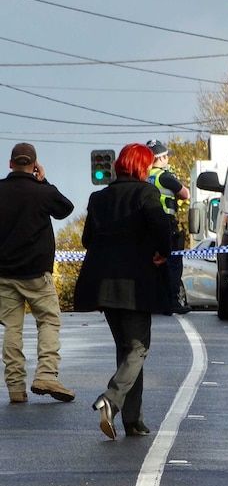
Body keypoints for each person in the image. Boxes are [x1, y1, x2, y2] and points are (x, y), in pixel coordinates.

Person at [74, 143, 172, 439]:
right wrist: (163, 252)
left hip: (102, 284)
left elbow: (87, 239)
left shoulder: (98, 197)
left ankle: (133, 420)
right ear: (143, 167)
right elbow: (161, 225)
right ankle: (112, 398)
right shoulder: (146, 193)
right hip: (135, 283)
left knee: (127, 351)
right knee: (138, 348)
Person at [0, 142, 76, 404]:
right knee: (48, 321)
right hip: (36, 274)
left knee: (12, 328)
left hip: (4, 274)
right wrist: (43, 182)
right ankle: (46, 374)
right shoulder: (41, 193)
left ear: (10, 164)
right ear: (34, 165)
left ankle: (15, 388)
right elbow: (66, 208)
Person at [146, 139, 191, 315]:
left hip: (148, 226)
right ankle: (172, 301)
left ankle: (153, 301)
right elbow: (185, 194)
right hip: (166, 224)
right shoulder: (164, 176)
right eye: (167, 157)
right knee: (172, 264)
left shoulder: (144, 175)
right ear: (162, 157)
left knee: (153, 264)